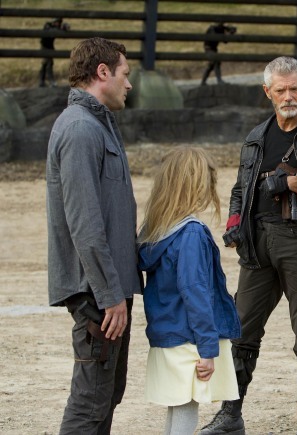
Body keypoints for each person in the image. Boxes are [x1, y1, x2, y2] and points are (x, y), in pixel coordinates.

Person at [198, 56, 297, 435]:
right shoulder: (255, 137)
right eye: (280, 90)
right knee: (241, 329)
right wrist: (234, 225)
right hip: (257, 242)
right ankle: (231, 413)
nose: (288, 96)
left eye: (294, 88)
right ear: (267, 91)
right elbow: (239, 191)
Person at [46, 37, 141, 434]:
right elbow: (84, 222)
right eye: (125, 74)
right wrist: (108, 295)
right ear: (103, 72)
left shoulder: (98, 123)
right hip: (97, 294)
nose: (129, 84)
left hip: (109, 291)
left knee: (106, 394)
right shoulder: (81, 130)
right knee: (90, 401)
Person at [138, 146, 242, 435]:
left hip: (167, 333)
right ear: (197, 184)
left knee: (178, 405)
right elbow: (196, 293)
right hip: (191, 339)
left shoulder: (156, 230)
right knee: (187, 407)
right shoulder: (191, 233)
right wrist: (208, 349)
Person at [39, 17, 70, 87]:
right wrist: (60, 28)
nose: (58, 24)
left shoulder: (55, 27)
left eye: (59, 22)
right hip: (45, 47)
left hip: (50, 47)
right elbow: (51, 31)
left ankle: (42, 81)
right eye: (57, 22)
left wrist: (65, 27)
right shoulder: (47, 25)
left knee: (45, 63)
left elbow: (65, 28)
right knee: (49, 63)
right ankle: (51, 81)